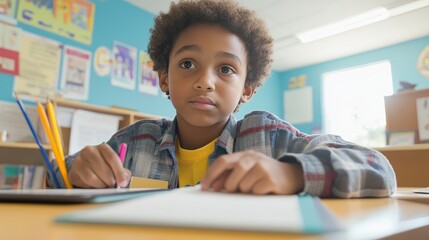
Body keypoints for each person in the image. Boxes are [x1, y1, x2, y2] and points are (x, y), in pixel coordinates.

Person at [49, 0, 396, 198]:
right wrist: (76, 172)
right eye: (188, 64)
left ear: (247, 88)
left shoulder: (268, 136)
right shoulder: (136, 140)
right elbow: (58, 177)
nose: (205, 82)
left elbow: (377, 168)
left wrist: (292, 174)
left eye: (226, 69)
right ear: (164, 77)